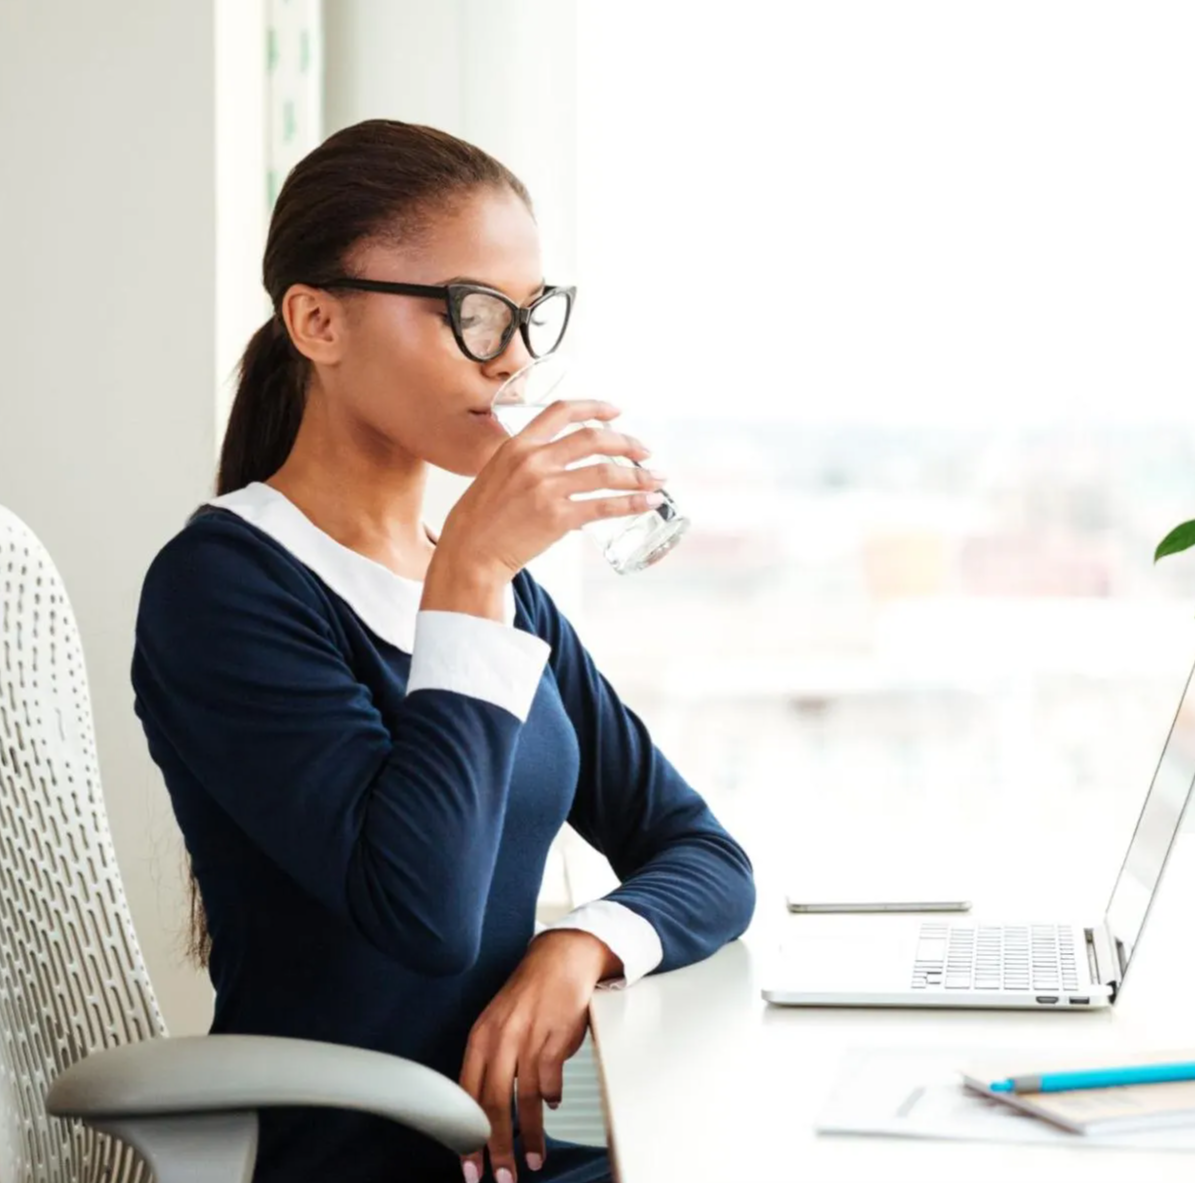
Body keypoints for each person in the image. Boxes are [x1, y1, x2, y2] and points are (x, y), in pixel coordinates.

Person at [133, 119, 756, 1183]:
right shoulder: (224, 588)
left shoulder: (505, 595)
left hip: (511, 1162)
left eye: (528, 316)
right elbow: (421, 915)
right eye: (473, 313)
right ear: (318, 320)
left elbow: (705, 858)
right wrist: (465, 580)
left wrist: (581, 945)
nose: (512, 358)